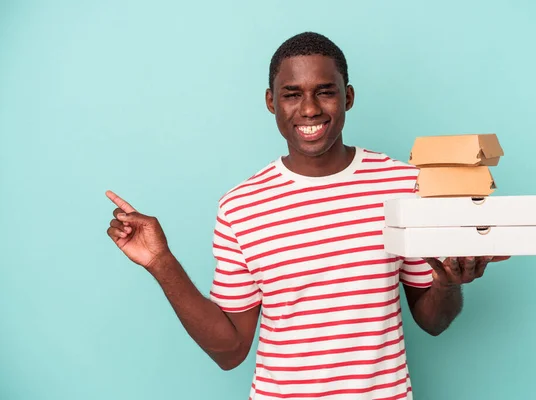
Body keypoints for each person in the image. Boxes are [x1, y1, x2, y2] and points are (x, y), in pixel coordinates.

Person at [105, 32, 509, 400]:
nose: (310, 109)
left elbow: (432, 321)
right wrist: (162, 264)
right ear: (271, 101)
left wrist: (446, 283)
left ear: (348, 97)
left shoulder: (404, 185)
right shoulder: (240, 207)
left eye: (325, 92)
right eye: (292, 94)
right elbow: (230, 352)